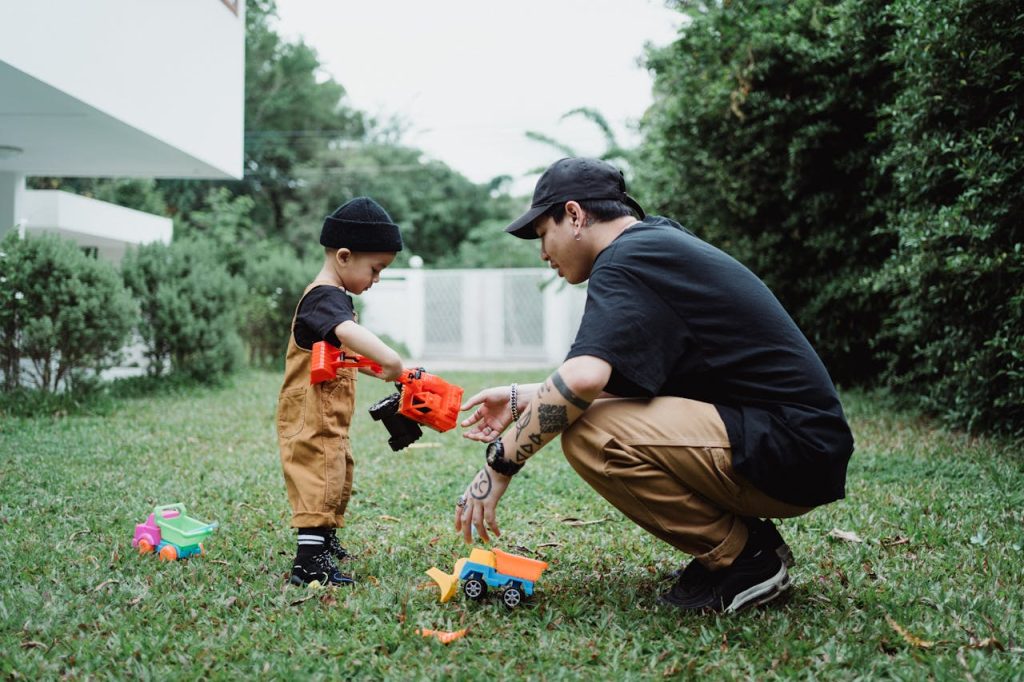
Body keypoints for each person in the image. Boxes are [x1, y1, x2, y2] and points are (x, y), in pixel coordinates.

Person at [454, 158, 854, 613]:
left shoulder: (626, 261)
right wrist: (519, 397)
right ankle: (752, 541)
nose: (543, 253)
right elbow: (632, 381)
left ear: (575, 215)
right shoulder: (655, 246)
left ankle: (746, 561)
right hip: (794, 445)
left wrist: (498, 465)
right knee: (592, 416)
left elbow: (584, 379)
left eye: (543, 234)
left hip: (788, 448)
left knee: (589, 435)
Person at [276, 196, 405, 587]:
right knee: (318, 476)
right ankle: (308, 563)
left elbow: (340, 354)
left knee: (337, 472)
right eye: (376, 269)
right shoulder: (323, 296)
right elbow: (348, 334)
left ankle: (325, 541)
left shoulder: (335, 300)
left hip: (326, 414)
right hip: (310, 415)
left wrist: (379, 369)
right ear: (344, 256)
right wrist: (391, 357)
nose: (377, 279)